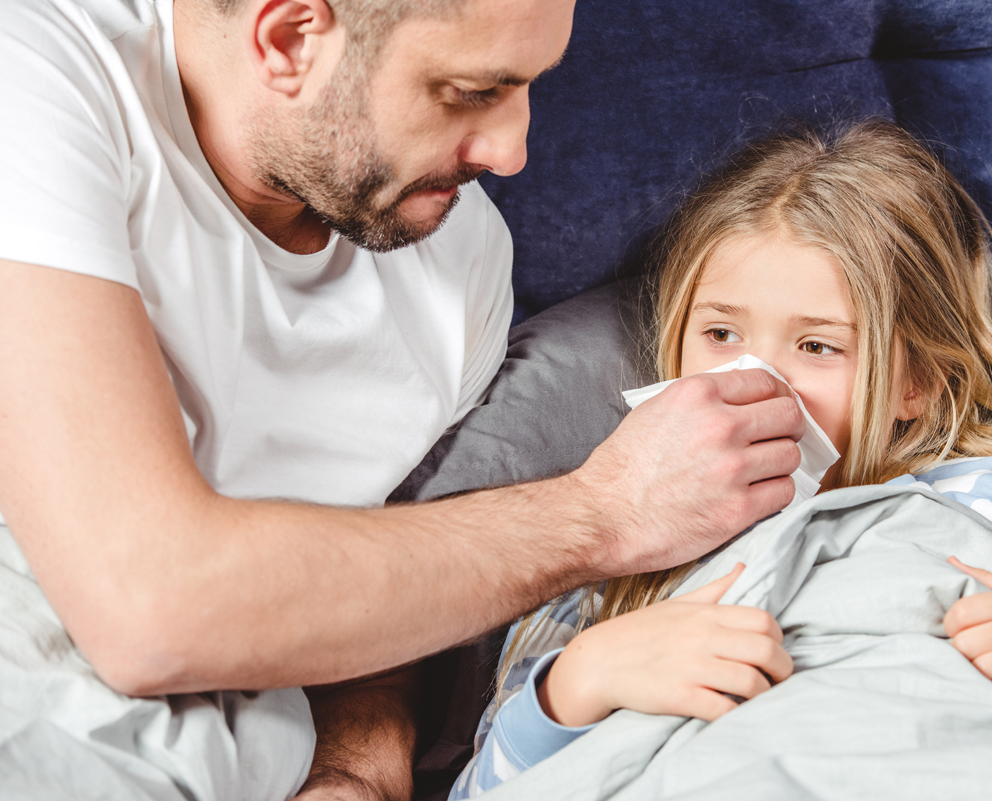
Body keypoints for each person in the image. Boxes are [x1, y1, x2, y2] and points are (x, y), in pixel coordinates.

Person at [0, 0, 810, 798]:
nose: (512, 150)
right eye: (470, 91)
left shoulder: (460, 256)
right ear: (288, 39)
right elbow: (150, 608)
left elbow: (400, 577)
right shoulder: (40, 76)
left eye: (529, 86)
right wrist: (604, 512)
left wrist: (358, 766)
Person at [451, 121, 992, 799]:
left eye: (816, 346)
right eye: (719, 334)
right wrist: (585, 677)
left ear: (915, 383)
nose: (752, 377)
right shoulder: (618, 544)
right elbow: (487, 782)